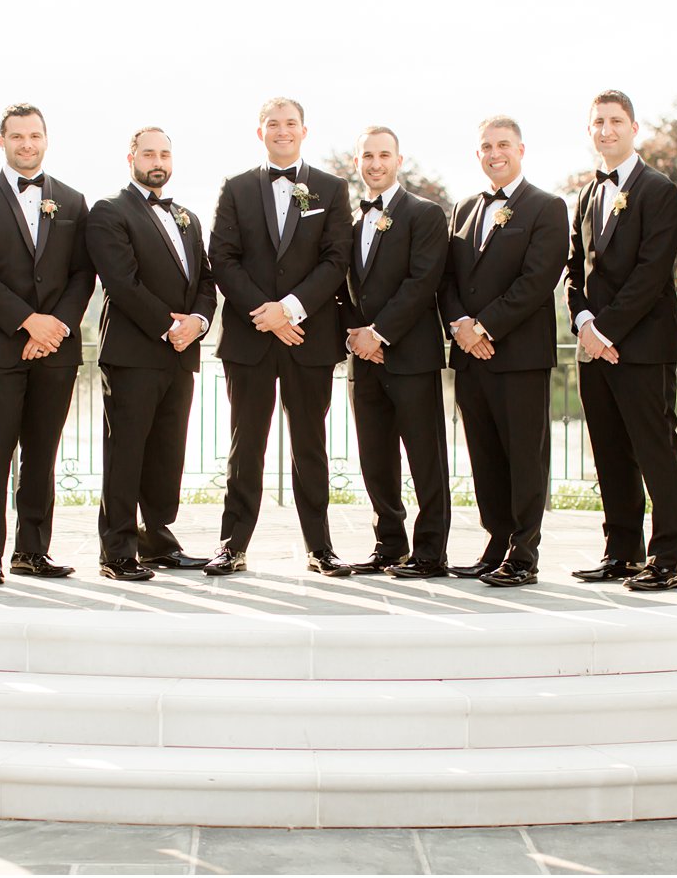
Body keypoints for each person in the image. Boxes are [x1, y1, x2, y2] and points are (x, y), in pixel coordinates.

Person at [205, 98, 354, 577]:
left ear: (304, 131)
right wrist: (263, 314)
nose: (282, 131)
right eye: (274, 124)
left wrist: (289, 309)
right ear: (260, 131)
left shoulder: (331, 189)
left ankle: (320, 548)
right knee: (245, 444)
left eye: (291, 124)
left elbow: (336, 260)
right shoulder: (236, 188)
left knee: (309, 444)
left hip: (307, 338)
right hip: (249, 340)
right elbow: (222, 258)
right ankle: (232, 546)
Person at [0, 104, 95, 585]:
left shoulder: (73, 201)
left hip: (56, 349)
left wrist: (54, 328)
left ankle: (32, 551)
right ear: (2, 141)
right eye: (17, 136)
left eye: (34, 135)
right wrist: (28, 322)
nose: (26, 144)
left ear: (46, 139)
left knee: (42, 451)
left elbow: (82, 274)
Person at [565, 91, 677, 592]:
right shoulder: (587, 193)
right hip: (594, 348)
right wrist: (584, 324)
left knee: (656, 451)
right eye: (597, 122)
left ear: (634, 128)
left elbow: (651, 274)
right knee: (611, 453)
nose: (606, 130)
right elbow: (573, 270)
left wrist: (606, 331)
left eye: (615, 121)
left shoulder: (659, 190)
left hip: (641, 348)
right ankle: (621, 552)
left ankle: (668, 558)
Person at [440, 116, 568, 587]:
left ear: (521, 149)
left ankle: (524, 552)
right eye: (487, 146)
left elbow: (537, 281)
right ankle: (496, 541)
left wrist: (486, 325)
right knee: (485, 455)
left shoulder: (547, 207)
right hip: (471, 355)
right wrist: (462, 328)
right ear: (478, 154)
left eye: (504, 145)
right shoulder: (463, 209)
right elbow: (449, 279)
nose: (495, 153)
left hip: (519, 355)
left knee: (523, 456)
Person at [85, 127, 216, 581]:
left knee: (166, 452)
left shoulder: (188, 217)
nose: (156, 160)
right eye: (148, 152)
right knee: (126, 453)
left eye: (164, 153)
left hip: (180, 354)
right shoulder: (109, 212)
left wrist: (196, 324)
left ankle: (157, 540)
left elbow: (205, 282)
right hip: (133, 353)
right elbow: (121, 282)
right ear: (131, 158)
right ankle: (117, 550)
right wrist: (167, 326)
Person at [337, 126, 452, 578]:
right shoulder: (350, 222)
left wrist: (380, 334)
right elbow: (342, 287)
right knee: (375, 458)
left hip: (411, 358)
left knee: (426, 457)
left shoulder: (424, 215)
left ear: (398, 160)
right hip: (362, 362)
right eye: (367, 156)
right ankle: (388, 543)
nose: (375, 164)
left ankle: (430, 551)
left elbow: (422, 283)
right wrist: (355, 335)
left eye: (384, 155)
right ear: (357, 163)